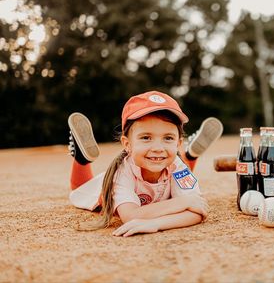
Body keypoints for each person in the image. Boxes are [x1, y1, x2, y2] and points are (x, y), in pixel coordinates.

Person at [67, 90, 223, 237]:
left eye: (168, 138)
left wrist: (156, 223)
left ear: (178, 144)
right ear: (127, 144)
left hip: (173, 166)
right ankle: (82, 159)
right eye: (146, 137)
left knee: (173, 163)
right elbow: (130, 215)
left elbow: (197, 212)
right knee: (80, 187)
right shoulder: (121, 173)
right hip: (100, 188)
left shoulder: (177, 165)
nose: (157, 148)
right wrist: (184, 202)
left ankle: (188, 155)